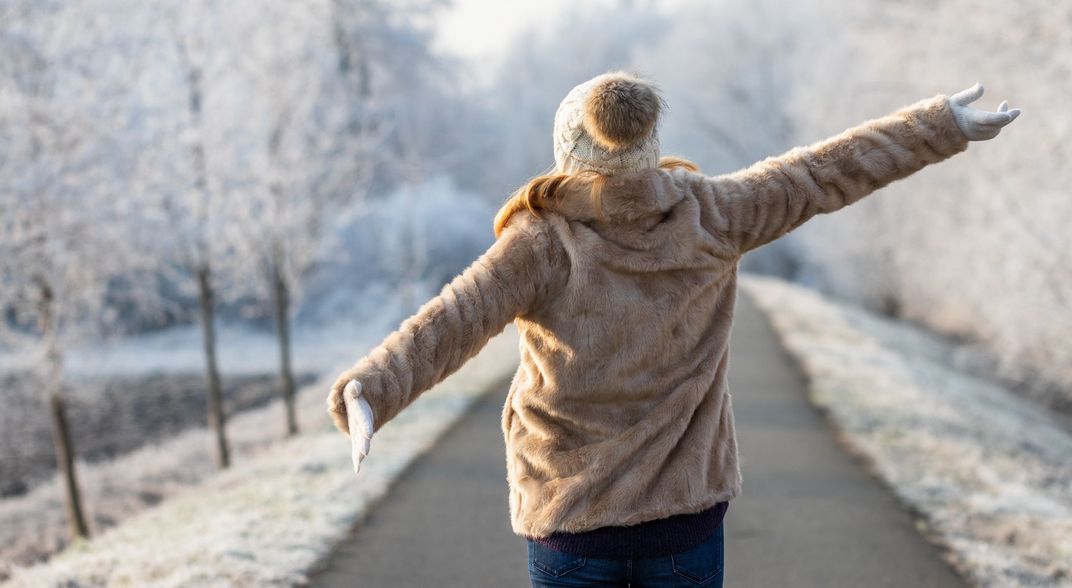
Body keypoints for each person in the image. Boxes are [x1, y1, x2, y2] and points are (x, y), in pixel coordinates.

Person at [327, 71, 1021, 587]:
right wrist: (941, 126)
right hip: (685, 520)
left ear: (569, 149)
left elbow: (450, 322)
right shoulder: (713, 213)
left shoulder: (539, 241)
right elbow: (823, 172)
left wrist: (371, 389)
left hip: (569, 522)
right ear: (647, 144)